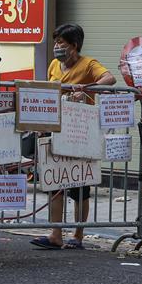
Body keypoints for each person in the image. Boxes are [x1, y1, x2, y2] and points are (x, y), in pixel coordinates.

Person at [31, 23, 116, 250]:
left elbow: (109, 79)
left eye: (62, 43)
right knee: (54, 183)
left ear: (74, 46)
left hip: (81, 131)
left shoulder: (88, 64)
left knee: (80, 186)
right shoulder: (53, 65)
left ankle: (78, 235)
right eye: (56, 42)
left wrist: (85, 88)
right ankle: (55, 233)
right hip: (56, 128)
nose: (57, 47)